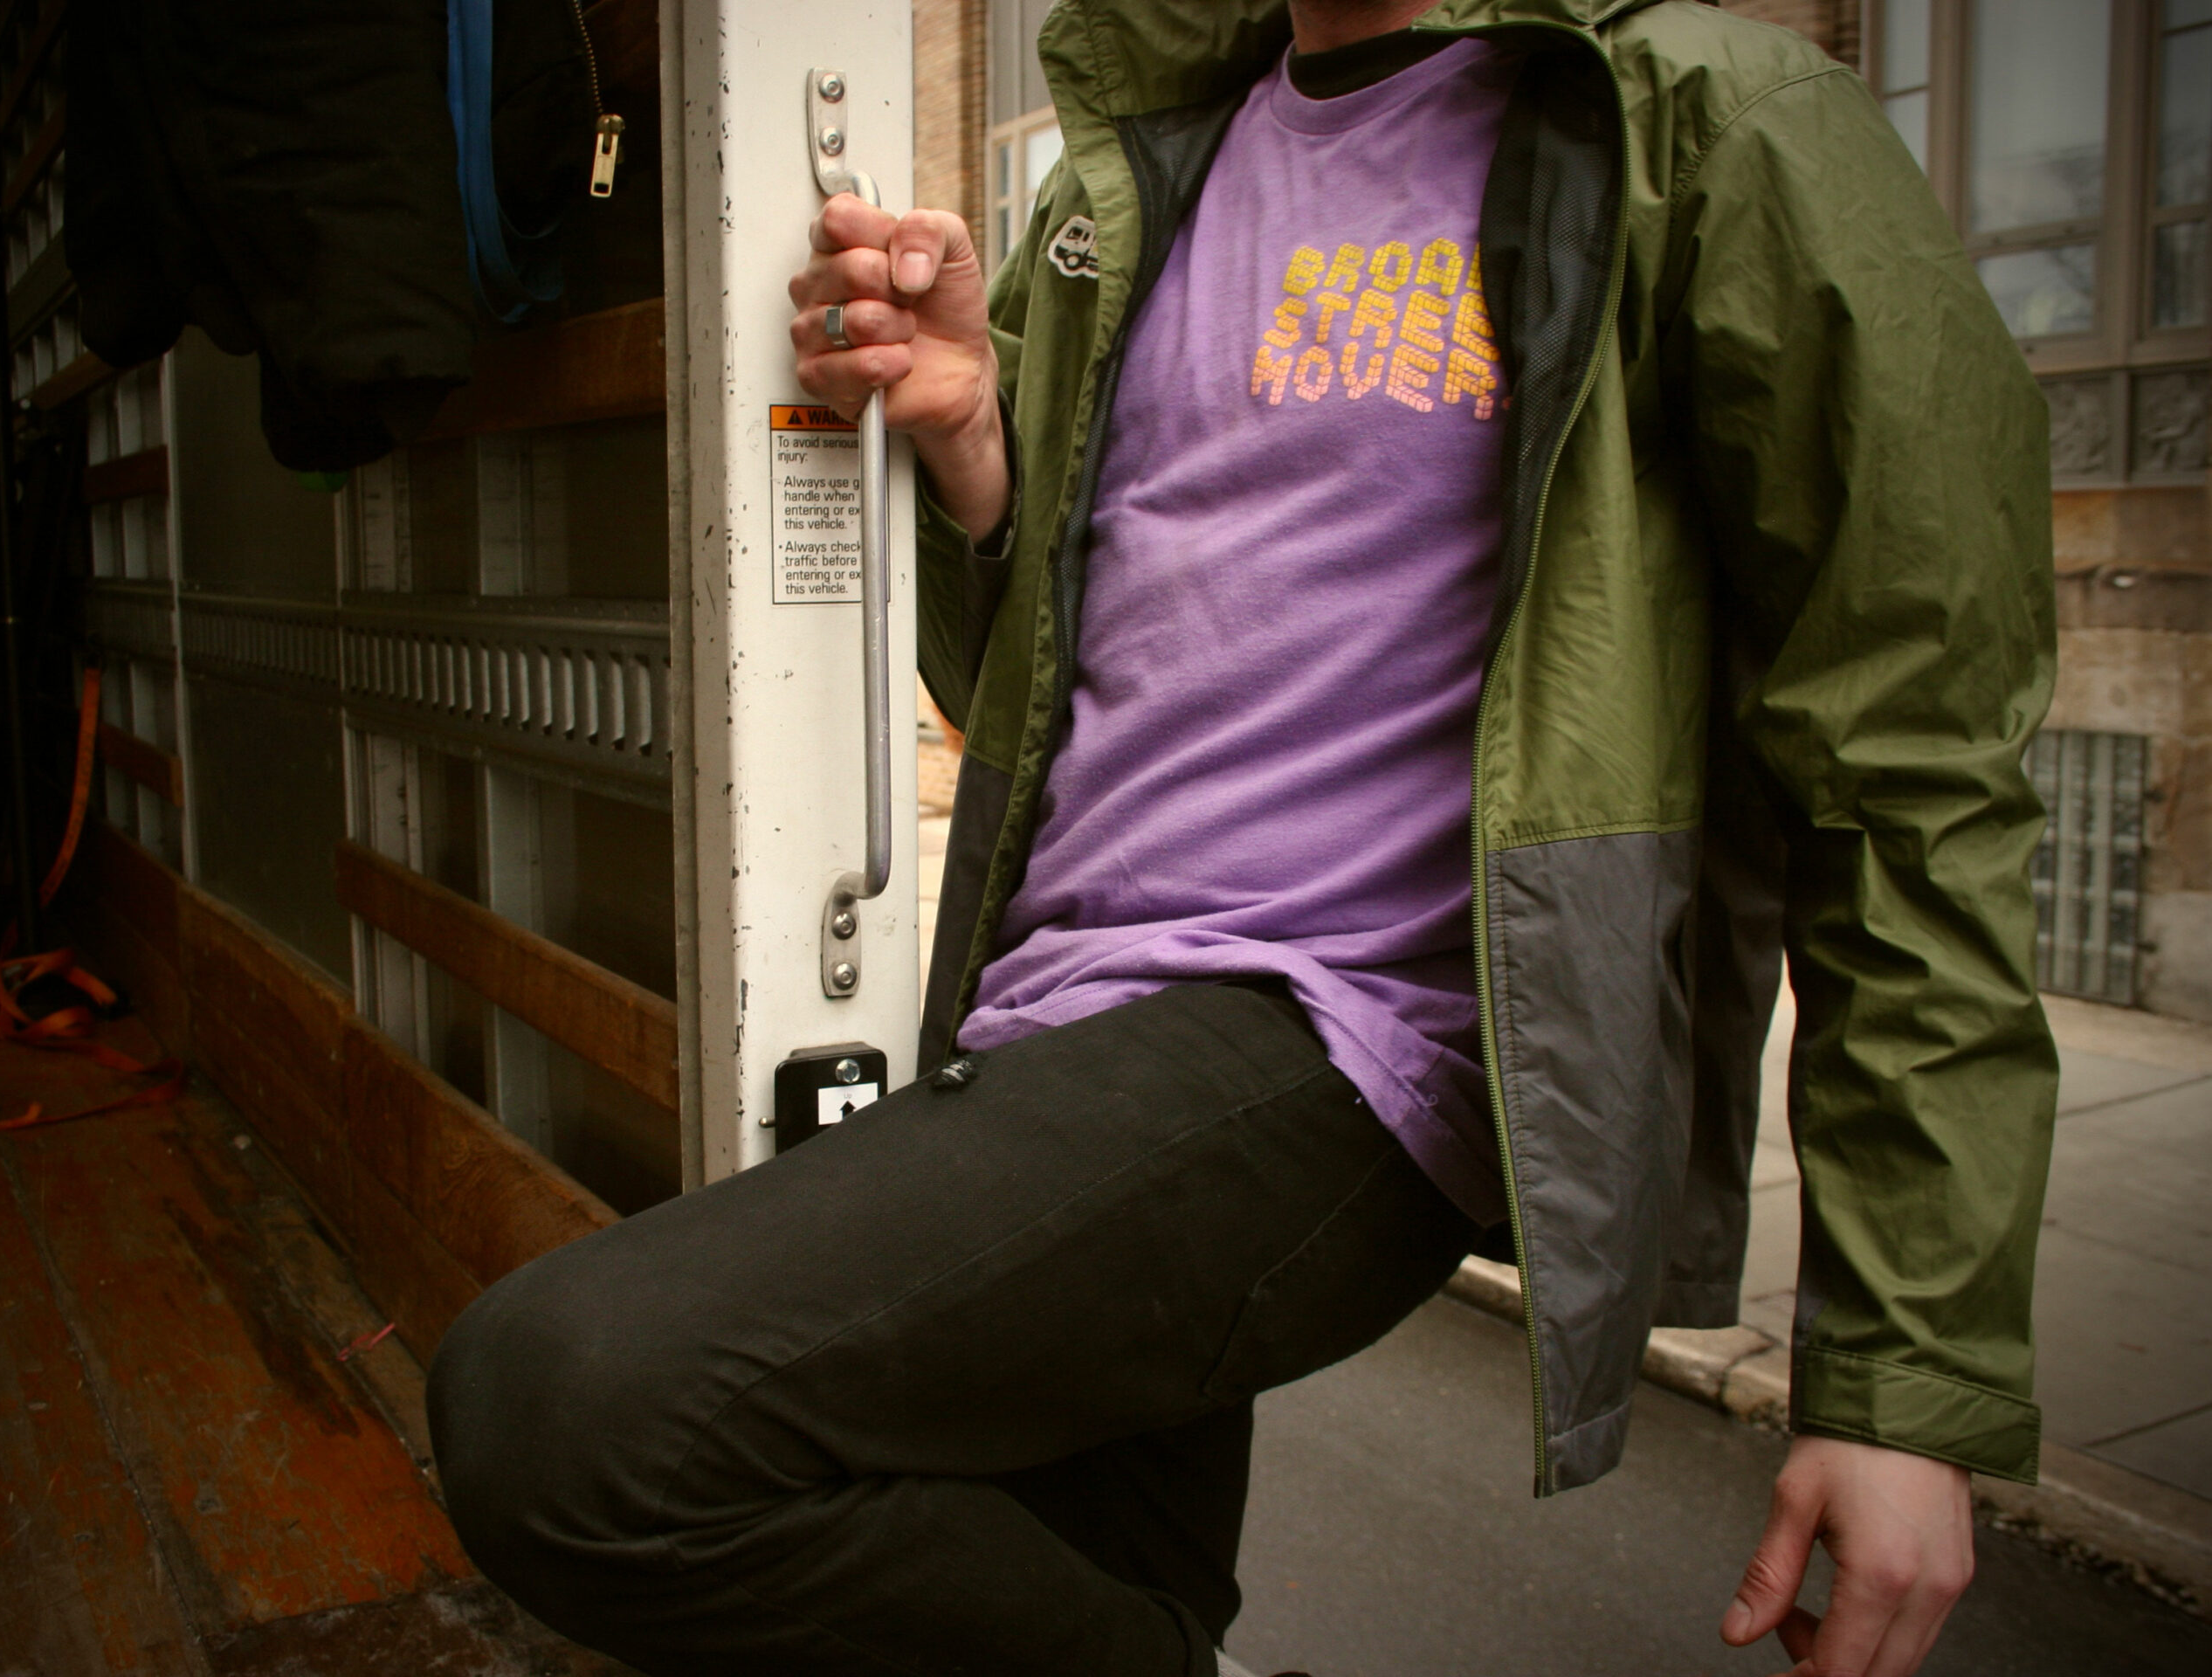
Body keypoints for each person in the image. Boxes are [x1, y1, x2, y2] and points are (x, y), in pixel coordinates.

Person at [426, 2, 2058, 1674]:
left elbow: (1913, 747)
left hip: (1336, 1033)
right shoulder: (1148, 161)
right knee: (1082, 1610)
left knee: (573, 1417)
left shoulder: (1706, 121)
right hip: (1047, 1030)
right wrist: (981, 453)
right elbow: (1047, 677)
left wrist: (1901, 1379)